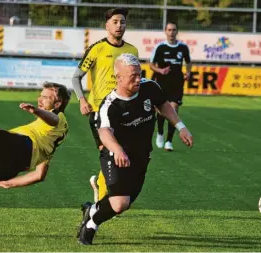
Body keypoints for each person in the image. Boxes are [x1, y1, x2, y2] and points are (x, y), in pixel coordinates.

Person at [76, 53, 194, 245]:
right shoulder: (109, 105)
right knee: (119, 202)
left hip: (141, 155)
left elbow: (164, 105)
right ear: (119, 77)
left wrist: (181, 127)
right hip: (115, 154)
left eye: (139, 74)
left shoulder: (150, 87)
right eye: (133, 76)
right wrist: (118, 150)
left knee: (125, 202)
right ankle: (91, 226)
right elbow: (105, 133)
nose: (138, 79)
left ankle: (92, 210)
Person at [72, 8, 139, 203]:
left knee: (124, 153)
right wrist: (82, 100)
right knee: (109, 152)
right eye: (116, 22)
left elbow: (135, 81)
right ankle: (105, 199)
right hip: (99, 111)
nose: (120, 26)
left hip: (124, 110)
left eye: (123, 22)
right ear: (107, 25)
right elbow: (76, 77)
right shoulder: (97, 48)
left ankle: (104, 191)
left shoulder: (132, 51)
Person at [150, 21, 192, 151]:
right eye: (169, 30)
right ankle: (161, 132)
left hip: (177, 83)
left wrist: (188, 72)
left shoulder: (183, 47)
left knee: (173, 110)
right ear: (165, 31)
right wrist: (160, 71)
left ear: (177, 31)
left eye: (174, 30)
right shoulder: (160, 47)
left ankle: (169, 141)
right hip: (162, 82)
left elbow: (188, 62)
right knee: (162, 110)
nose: (171, 32)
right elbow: (151, 64)